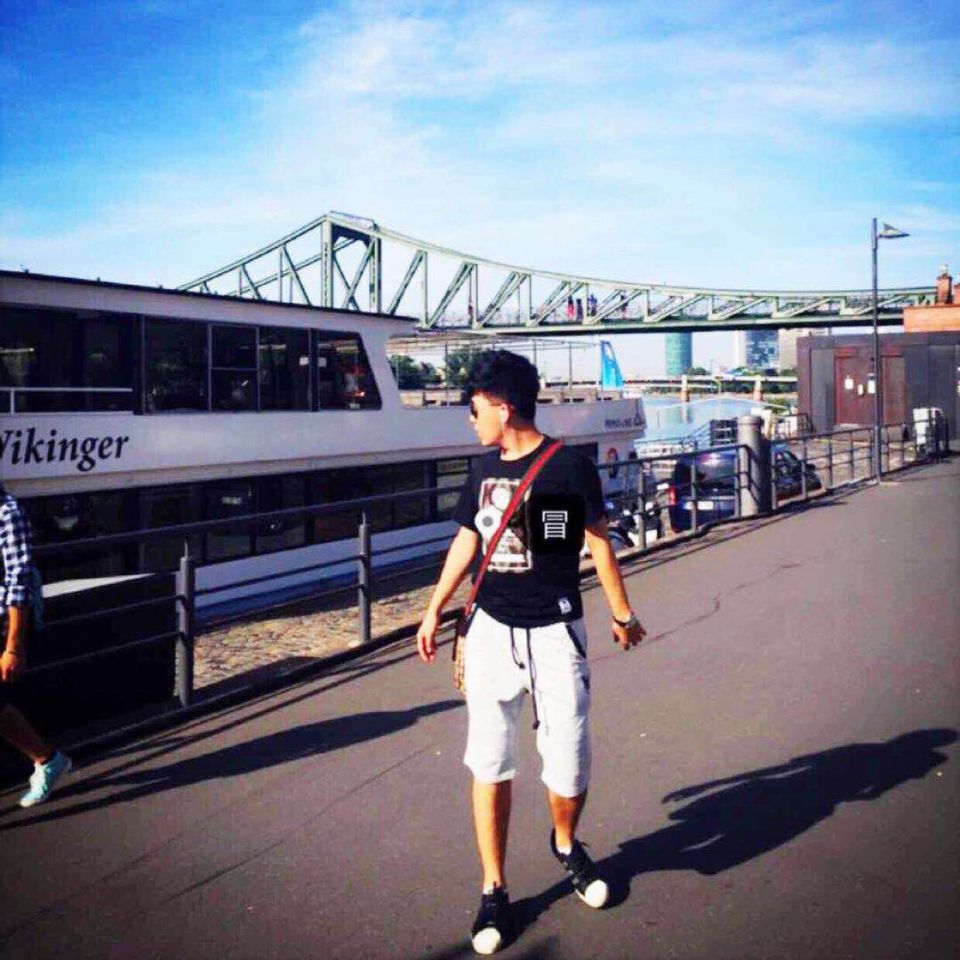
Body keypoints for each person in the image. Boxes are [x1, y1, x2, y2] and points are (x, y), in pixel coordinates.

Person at [416, 350, 646, 955]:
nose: (470, 420)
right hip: (491, 630)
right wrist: (435, 606)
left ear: (503, 406)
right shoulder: (481, 468)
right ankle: (493, 888)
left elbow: (585, 547)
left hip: (553, 632)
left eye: (474, 409)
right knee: (489, 762)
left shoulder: (565, 469)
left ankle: (565, 843)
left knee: (568, 763)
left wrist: (621, 613)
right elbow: (469, 538)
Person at [0, 482, 72, 808]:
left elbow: (19, 581)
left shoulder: (8, 514)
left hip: (4, 623)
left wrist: (13, 647)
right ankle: (47, 760)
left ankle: (47, 760)